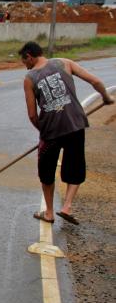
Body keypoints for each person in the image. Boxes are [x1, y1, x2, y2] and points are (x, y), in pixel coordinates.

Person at [19, 42, 113, 225]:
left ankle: (49, 213)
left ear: (29, 56)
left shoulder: (29, 78)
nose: (25, 65)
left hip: (51, 132)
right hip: (75, 126)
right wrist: (106, 97)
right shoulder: (65, 63)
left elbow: (32, 114)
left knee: (46, 172)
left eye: (24, 61)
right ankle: (67, 207)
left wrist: (44, 131)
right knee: (75, 167)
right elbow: (95, 81)